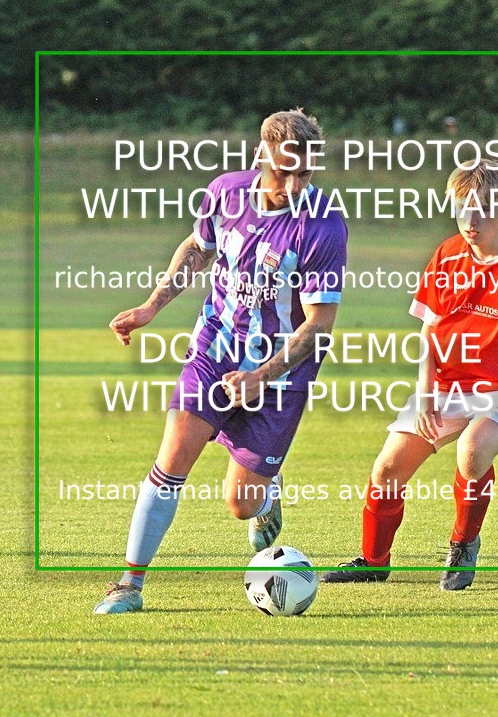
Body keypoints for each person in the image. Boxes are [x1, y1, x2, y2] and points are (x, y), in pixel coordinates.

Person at [95, 109, 347, 614]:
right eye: (283, 172)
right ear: (260, 155)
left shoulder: (323, 226)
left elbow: (318, 325)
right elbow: (198, 247)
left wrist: (261, 376)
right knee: (171, 461)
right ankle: (129, 584)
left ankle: (266, 496)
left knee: (241, 504)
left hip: (280, 370)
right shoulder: (226, 193)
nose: (293, 186)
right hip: (215, 349)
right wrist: (151, 306)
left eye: (304, 174)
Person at [322, 159, 498, 590]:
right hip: (448, 385)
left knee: (472, 450)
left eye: (480, 211)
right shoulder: (446, 255)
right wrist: (426, 393)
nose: (469, 221)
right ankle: (373, 561)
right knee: (387, 470)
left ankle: (463, 547)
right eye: (462, 209)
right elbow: (430, 329)